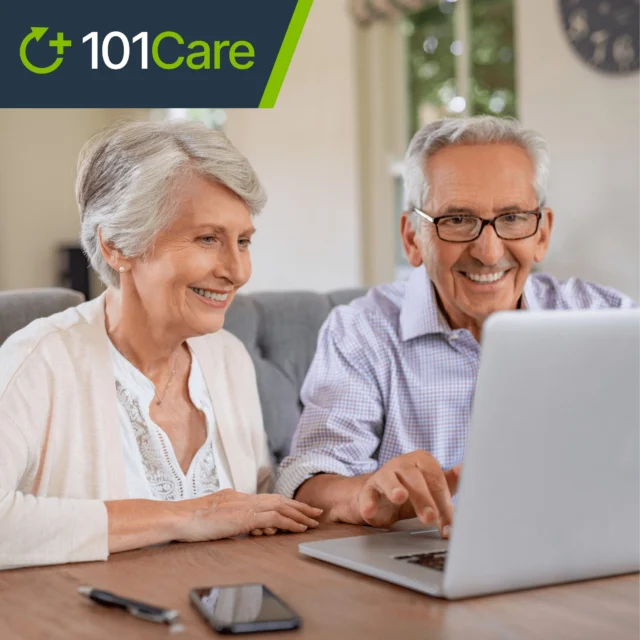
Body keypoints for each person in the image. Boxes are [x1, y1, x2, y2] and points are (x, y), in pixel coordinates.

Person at [276, 116, 636, 538]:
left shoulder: (607, 316)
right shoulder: (361, 332)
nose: (487, 251)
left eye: (514, 217)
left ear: (542, 233)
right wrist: (365, 496)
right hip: (421, 578)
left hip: (590, 558)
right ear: (412, 238)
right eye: (457, 220)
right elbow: (309, 480)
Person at [0, 120, 321, 570]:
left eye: (243, 241)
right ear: (116, 246)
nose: (238, 270)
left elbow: (252, 506)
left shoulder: (227, 357)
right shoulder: (38, 362)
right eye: (208, 238)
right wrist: (185, 516)